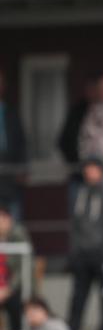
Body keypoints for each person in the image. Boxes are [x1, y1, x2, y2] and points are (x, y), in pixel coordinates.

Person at [67, 159, 103, 330]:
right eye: (87, 170)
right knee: (77, 302)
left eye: (94, 169)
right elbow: (74, 226)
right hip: (82, 256)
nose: (90, 173)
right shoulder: (79, 194)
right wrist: (74, 252)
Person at [0, 69, 26, 221]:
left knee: (14, 221)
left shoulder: (11, 112)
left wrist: (22, 168)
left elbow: (21, 142)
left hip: (11, 173)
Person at [0, 203, 31, 330]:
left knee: (15, 304)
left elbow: (22, 269)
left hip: (12, 288)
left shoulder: (18, 235)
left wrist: (7, 289)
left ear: (9, 219)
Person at [2, 297, 71, 330]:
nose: (31, 314)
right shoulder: (29, 329)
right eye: (27, 311)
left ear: (45, 311)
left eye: (35, 310)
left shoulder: (57, 325)